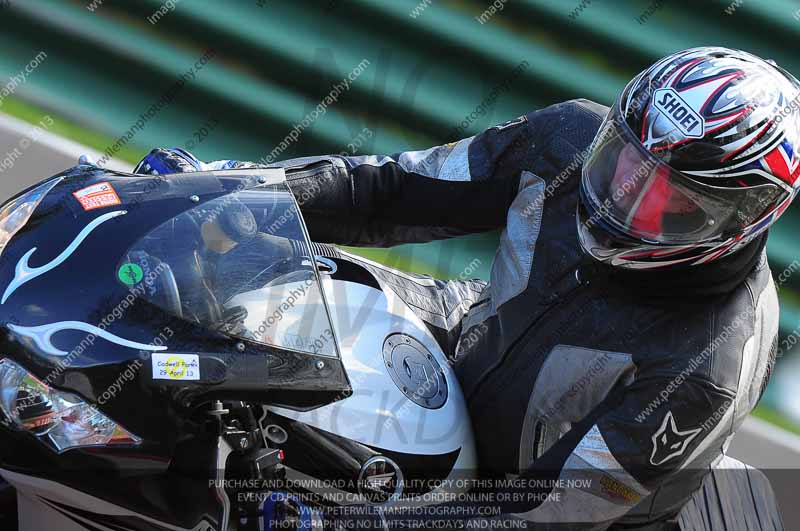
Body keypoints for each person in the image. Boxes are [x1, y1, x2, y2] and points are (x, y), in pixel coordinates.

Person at [135, 47, 798, 529]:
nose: (626, 196)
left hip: (536, 503)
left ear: (742, 218)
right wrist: (222, 191)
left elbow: (545, 514)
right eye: (626, 161)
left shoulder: (709, 360)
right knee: (262, 277)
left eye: (670, 199)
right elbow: (388, 190)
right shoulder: (566, 137)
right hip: (465, 341)